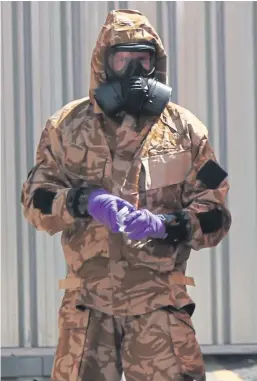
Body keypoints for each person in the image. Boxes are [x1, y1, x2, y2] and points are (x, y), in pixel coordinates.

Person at [21, 9, 231, 381]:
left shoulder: (185, 130)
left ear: (156, 64)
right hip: (88, 305)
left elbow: (215, 214)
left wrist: (166, 224)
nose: (134, 72)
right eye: (123, 60)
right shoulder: (67, 127)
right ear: (105, 63)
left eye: (143, 60)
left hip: (159, 306)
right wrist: (83, 202)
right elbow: (36, 199)